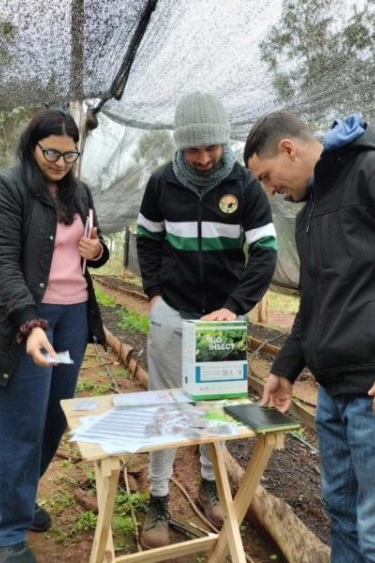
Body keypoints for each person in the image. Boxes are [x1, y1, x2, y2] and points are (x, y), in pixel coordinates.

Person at [244, 111, 375, 562]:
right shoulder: (309, 215)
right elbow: (314, 304)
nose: (269, 189)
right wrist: (284, 368)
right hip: (333, 396)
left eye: (266, 175)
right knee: (343, 516)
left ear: (288, 149)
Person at [0, 109, 109, 563]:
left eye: (70, 154)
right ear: (32, 146)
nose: (61, 162)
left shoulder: (79, 193)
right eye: (52, 152)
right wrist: (30, 323)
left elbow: (93, 251)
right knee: (18, 426)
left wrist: (98, 251)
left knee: (54, 419)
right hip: (25, 318)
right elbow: (1, 263)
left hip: (74, 318)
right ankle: (8, 530)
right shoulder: (6, 191)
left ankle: (21, 502)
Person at [136, 91, 277, 548]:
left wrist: (234, 307)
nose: (202, 157)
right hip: (172, 312)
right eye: (193, 149)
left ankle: (210, 482)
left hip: (221, 319)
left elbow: (264, 253)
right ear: (180, 145)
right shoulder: (161, 183)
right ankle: (158, 497)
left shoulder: (245, 185)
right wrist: (155, 295)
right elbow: (147, 240)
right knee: (165, 406)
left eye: (210, 147)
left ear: (223, 141)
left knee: (211, 408)